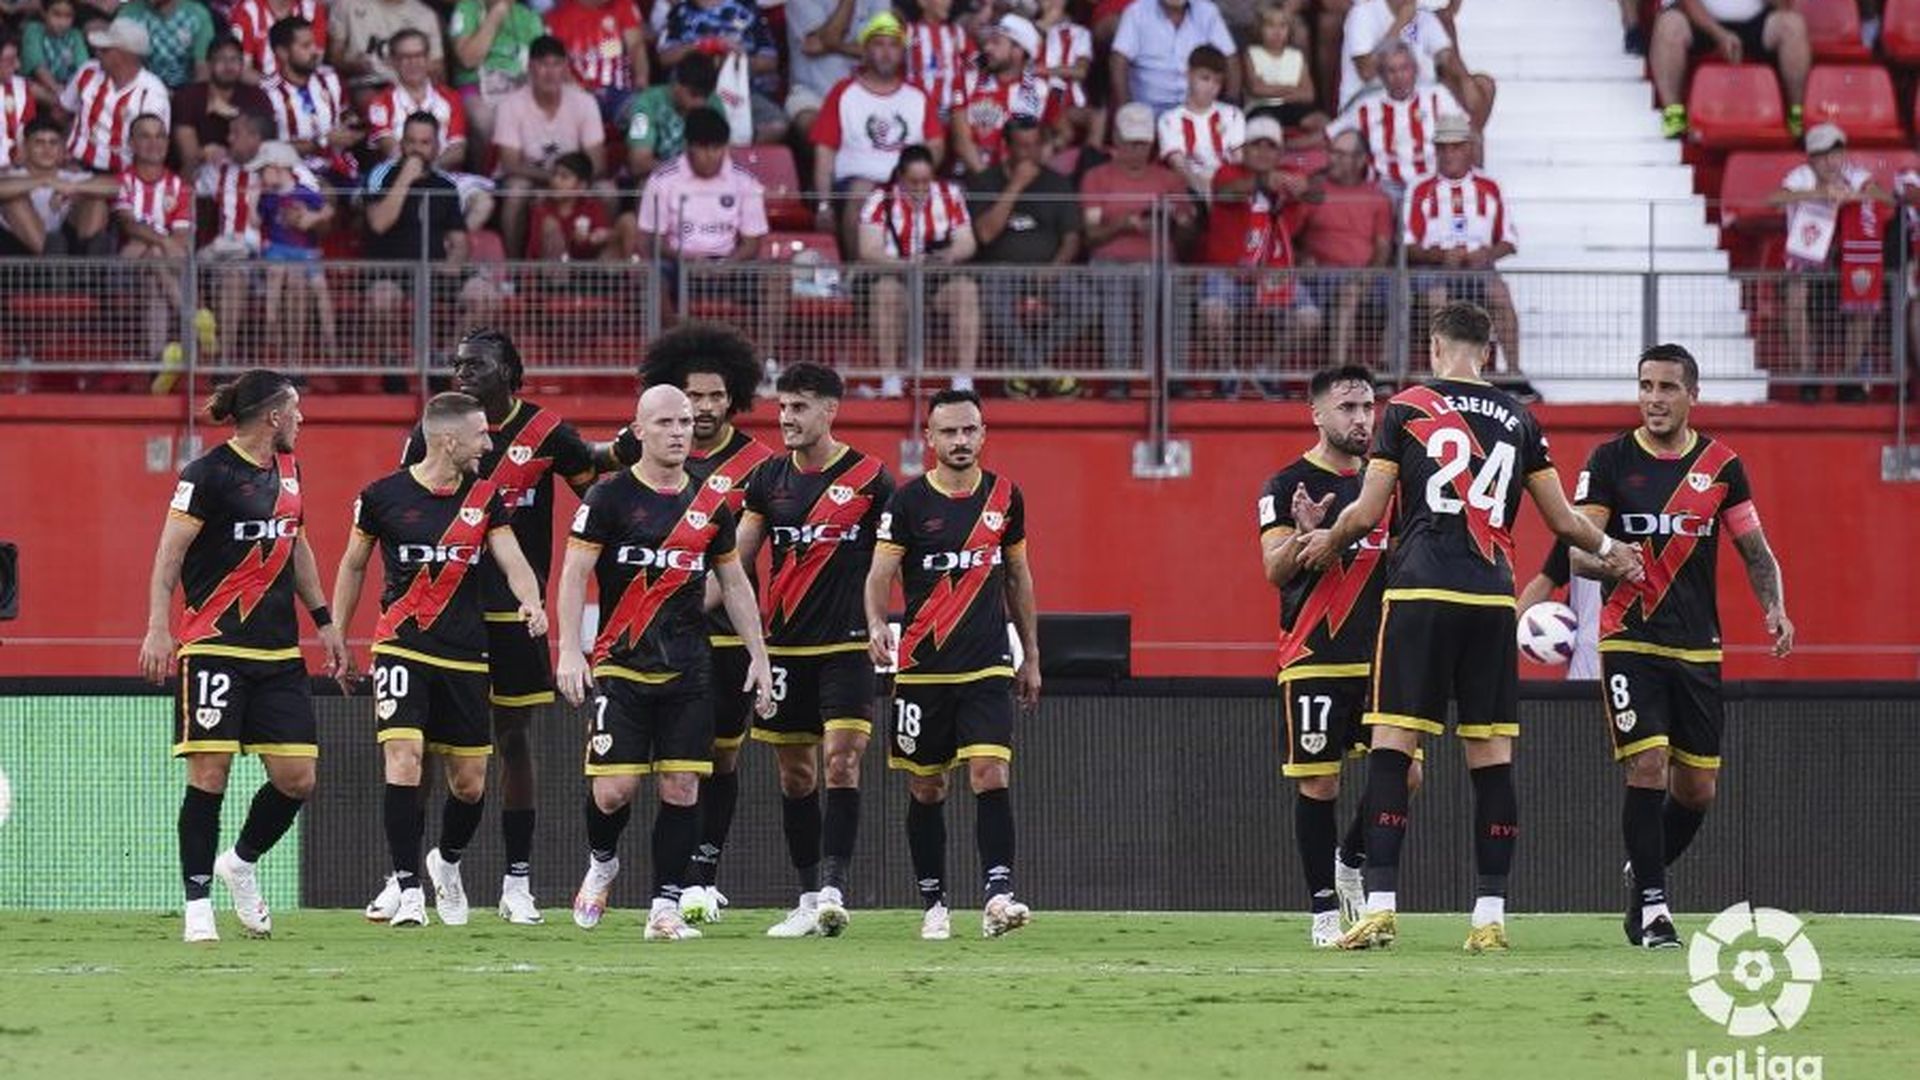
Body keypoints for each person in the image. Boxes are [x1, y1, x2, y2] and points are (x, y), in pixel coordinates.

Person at [1298, 302, 1645, 952]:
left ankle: (1381, 907)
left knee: (1393, 744)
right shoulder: (1521, 418)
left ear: (1435, 346)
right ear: (1487, 351)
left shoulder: (1406, 409)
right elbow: (1564, 520)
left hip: (1420, 592)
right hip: (1491, 599)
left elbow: (1368, 513)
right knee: (1491, 757)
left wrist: (1326, 540)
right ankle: (1489, 918)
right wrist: (1613, 549)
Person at [357, 331, 608, 925]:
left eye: (477, 364)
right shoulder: (432, 431)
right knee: (417, 747)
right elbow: (407, 512)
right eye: (457, 363)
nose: (463, 371)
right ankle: (403, 878)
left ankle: (516, 881)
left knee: (513, 742)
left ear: (510, 371)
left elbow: (599, 497)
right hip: (444, 617)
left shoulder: (546, 432)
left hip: (515, 614)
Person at [1570, 343, 1792, 949]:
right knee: (1647, 764)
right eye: (1645, 386)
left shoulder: (1722, 466)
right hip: (1630, 637)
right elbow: (1577, 554)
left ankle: (1643, 871)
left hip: (1697, 645)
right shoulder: (1610, 460)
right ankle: (1653, 908)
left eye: (1667, 387)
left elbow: (1754, 550)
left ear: (1692, 394)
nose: (1654, 399)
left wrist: (1774, 606)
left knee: (1697, 789)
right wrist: (1612, 558)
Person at [556, 384, 776, 942]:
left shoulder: (709, 503)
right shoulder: (607, 497)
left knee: (682, 787)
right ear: (639, 431)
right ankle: (602, 862)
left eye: (684, 421)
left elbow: (734, 583)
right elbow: (575, 574)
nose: (679, 431)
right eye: (665, 423)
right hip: (621, 662)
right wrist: (569, 649)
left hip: (689, 668)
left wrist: (759, 654)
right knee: (614, 791)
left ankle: (665, 906)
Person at [138, 369, 347, 943]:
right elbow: (168, 556)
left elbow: (296, 543)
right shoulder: (206, 474)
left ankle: (241, 862)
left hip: (278, 653)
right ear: (273, 416)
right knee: (210, 774)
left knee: (298, 778)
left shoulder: (289, 470)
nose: (302, 419)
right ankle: (197, 905)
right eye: (295, 409)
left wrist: (324, 620)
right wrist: (158, 628)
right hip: (214, 646)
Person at [330, 392, 551, 929]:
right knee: (404, 756)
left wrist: (531, 601)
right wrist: (337, 634)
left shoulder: (485, 498)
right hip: (400, 645)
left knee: (469, 784)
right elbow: (353, 566)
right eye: (481, 436)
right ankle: (408, 890)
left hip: (466, 654)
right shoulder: (380, 497)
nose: (488, 445)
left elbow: (513, 560)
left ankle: (445, 861)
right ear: (449, 440)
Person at [610, 323, 776, 923]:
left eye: (716, 396)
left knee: (720, 758)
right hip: (652, 635)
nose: (703, 408)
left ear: (735, 397)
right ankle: (640, 874)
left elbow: (744, 559)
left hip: (724, 629)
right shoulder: (643, 454)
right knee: (646, 770)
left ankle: (703, 875)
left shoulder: (758, 464)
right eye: (693, 396)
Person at [865, 387, 1041, 941]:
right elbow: (879, 575)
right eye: (949, 432)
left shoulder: (1005, 497)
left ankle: (998, 896)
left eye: (969, 430)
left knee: (990, 772)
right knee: (927, 787)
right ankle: (934, 903)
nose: (960, 441)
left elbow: (1018, 577)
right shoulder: (907, 503)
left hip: (986, 663)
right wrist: (876, 623)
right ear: (929, 438)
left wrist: (1031, 654)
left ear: (983, 434)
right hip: (922, 667)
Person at [727, 362, 894, 938]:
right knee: (796, 775)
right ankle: (804, 897)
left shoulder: (871, 479)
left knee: (842, 760)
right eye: (781, 408)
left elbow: (892, 559)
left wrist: (883, 621)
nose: (786, 418)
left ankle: (832, 891)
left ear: (830, 410)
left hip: (847, 645)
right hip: (785, 647)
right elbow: (736, 562)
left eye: (798, 407)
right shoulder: (766, 479)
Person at [1257, 364, 1416, 946]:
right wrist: (1306, 536)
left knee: (1409, 774)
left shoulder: (1388, 484)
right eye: (1348, 408)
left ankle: (1351, 858)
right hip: (1315, 654)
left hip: (1381, 657)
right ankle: (1323, 912)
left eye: (1368, 407)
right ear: (1317, 414)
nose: (1362, 419)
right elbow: (1274, 571)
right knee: (1319, 784)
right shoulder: (1286, 485)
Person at [1196, 115, 1320, 390]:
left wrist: (1305, 185)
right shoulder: (1228, 172)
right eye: (1256, 145)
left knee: (1309, 317)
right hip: (1229, 272)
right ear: (1244, 149)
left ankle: (1268, 371)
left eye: (1270, 146)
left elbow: (1318, 194)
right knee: (1213, 310)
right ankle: (1227, 375)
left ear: (1280, 152)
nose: (1263, 152)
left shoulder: (1288, 173)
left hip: (1274, 275)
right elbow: (1227, 192)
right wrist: (1264, 181)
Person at [1772, 122, 1889, 404]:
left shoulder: (1855, 175)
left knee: (1865, 293)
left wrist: (1852, 196)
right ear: (1812, 158)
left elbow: (1884, 197)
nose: (1831, 162)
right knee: (1795, 293)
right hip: (1807, 263)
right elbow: (1775, 199)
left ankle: (1850, 378)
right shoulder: (1801, 176)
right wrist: (1818, 194)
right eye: (1824, 156)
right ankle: (1807, 375)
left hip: (1847, 264)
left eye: (1836, 154)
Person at [968, 114, 1087, 391]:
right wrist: (1016, 186)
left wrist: (1055, 268)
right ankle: (1040, 369)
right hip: (1001, 271)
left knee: (1087, 302)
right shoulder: (986, 181)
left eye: (1035, 145)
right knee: (990, 301)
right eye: (1022, 146)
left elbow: (1072, 238)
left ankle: (1027, 366)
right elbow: (985, 234)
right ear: (1007, 147)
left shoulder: (1057, 182)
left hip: (1048, 271)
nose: (1030, 153)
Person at [1080, 101, 1197, 382]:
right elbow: (1090, 235)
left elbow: (1187, 235)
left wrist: (1180, 221)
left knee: (1176, 287)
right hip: (1110, 261)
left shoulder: (1170, 179)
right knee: (1118, 288)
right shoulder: (1096, 177)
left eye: (1143, 144)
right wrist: (1125, 224)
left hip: (1159, 260)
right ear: (1116, 139)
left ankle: (1174, 376)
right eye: (1131, 143)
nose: (1137, 150)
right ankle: (1119, 377)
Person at [811, 12, 944, 258]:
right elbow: (824, 152)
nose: (886, 52)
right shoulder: (843, 92)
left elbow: (935, 146)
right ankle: (859, 273)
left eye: (893, 45)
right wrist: (823, 204)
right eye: (879, 44)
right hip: (854, 185)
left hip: (908, 183)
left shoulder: (917, 95)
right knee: (863, 191)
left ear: (902, 52)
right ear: (865, 50)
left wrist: (912, 180)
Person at [1404, 115, 1523, 388]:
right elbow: (1407, 245)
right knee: (1437, 299)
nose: (1449, 154)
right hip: (1434, 269)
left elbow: (1509, 240)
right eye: (1443, 148)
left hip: (1479, 268)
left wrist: (1485, 255)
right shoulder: (1420, 188)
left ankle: (1514, 373)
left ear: (1469, 148)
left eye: (1456, 147)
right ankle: (1446, 376)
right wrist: (1440, 256)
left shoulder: (1490, 187)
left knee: (1501, 295)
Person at [631, 106, 771, 326]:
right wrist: (687, 259)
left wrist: (727, 263)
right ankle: (675, 341)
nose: (711, 156)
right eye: (704, 148)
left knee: (776, 276)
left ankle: (765, 347)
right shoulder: (662, 180)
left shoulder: (745, 181)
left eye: (717, 148)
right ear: (689, 146)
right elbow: (652, 240)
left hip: (728, 263)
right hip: (678, 262)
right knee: (653, 276)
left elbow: (752, 242)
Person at [859, 144, 980, 396]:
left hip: (936, 276)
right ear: (900, 177)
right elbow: (868, 249)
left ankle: (963, 380)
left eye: (926, 181)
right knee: (885, 291)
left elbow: (967, 243)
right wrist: (905, 264)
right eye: (914, 182)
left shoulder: (949, 194)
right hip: (897, 274)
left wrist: (946, 256)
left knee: (966, 290)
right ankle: (891, 379)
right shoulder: (880, 198)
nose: (921, 188)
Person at [493, 34, 606, 258]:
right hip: (532, 180)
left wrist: (569, 185)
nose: (550, 72)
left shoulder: (584, 102)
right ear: (530, 68)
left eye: (557, 64)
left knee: (607, 190)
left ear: (565, 68)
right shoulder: (510, 104)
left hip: (573, 181)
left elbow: (598, 163)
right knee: (516, 190)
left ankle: (600, 264)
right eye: (543, 65)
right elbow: (510, 163)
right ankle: (513, 268)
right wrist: (554, 182)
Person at [1652, 0, 1811, 139]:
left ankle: (1796, 112)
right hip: (1702, 22)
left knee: (1793, 24)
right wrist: (1718, 33)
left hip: (1755, 21)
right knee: (1669, 24)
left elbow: (1783, 6)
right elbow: (1687, 3)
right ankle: (1673, 111)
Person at [1302, 127, 1393, 365]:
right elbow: (1292, 237)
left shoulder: (1378, 197)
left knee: (1403, 290)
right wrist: (1303, 257)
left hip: (1367, 276)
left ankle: (1387, 368)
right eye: (1332, 152)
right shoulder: (1313, 191)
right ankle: (1339, 371)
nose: (1333, 159)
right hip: (1321, 276)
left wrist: (1369, 275)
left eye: (1342, 154)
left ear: (1361, 160)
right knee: (1348, 293)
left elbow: (1383, 247)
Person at [1329, 39, 1462, 199]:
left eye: (1404, 68)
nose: (1399, 76)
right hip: (1384, 189)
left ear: (1415, 70)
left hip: (1430, 184)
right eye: (1391, 71)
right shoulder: (1365, 107)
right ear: (1381, 75)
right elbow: (1330, 134)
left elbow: (1463, 136)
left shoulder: (1437, 97)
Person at [1341, 0, 1493, 126]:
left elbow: (1446, 56)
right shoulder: (1363, 14)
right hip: (1368, 101)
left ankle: (1469, 143)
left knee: (1482, 85)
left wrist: (1466, 81)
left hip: (1413, 105)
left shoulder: (1423, 17)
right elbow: (1366, 72)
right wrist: (1400, 23)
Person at [253, 139, 338, 359]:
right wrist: (252, 200)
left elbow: (328, 210)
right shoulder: (267, 197)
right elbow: (256, 222)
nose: (260, 177)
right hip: (278, 249)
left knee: (319, 287)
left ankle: (332, 343)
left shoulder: (304, 192)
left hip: (305, 251)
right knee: (276, 274)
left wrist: (313, 218)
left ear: (278, 168)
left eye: (263, 171)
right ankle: (271, 328)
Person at [657, 0, 786, 143]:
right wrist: (702, 46)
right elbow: (665, 58)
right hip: (695, 93)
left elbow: (770, 61)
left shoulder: (748, 9)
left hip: (741, 94)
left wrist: (735, 61)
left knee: (776, 126)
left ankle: (732, 152)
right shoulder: (680, 12)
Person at [62, 16, 171, 174]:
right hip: (74, 165)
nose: (97, 53)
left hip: (121, 174)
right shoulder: (88, 71)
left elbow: (153, 149)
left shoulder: (152, 93)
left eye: (105, 50)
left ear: (123, 56)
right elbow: (63, 111)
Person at [950, 14, 1054, 177]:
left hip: (1018, 181)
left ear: (1018, 51)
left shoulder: (1042, 91)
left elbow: (1046, 144)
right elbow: (961, 141)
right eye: (988, 42)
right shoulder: (966, 82)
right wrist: (988, 181)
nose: (987, 48)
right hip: (971, 178)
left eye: (996, 42)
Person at [259, 16, 357, 179]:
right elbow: (267, 149)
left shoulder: (331, 78)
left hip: (340, 169)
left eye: (314, 44)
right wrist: (322, 142)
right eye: (306, 46)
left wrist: (352, 128)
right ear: (282, 53)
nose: (315, 51)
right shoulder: (267, 93)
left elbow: (348, 117)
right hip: (293, 176)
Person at [0, 116, 115, 255]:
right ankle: (54, 260)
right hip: (20, 253)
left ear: (62, 148)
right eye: (39, 142)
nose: (47, 149)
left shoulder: (71, 178)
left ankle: (89, 264)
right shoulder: (12, 176)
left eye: (53, 143)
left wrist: (73, 188)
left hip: (69, 249)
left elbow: (116, 187)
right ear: (25, 147)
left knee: (96, 200)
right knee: (14, 200)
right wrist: (44, 180)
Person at [1109, 0, 1239, 115]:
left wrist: (1230, 104)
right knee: (1134, 129)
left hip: (1196, 108)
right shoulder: (1137, 12)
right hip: (1148, 110)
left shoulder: (1207, 11)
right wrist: (1127, 108)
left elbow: (1230, 57)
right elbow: (1119, 59)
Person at [448, 0, 546, 153]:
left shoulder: (528, 16)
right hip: (476, 86)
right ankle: (485, 168)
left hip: (518, 86)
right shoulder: (467, 7)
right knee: (483, 118)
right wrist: (496, 15)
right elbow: (468, 59)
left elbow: (543, 64)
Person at [366, 28, 467, 170]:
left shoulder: (451, 98)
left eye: (419, 55)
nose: (413, 62)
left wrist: (430, 171)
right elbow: (388, 147)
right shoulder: (380, 102)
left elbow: (457, 150)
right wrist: (413, 171)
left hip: (443, 174)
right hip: (397, 175)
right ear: (393, 61)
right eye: (405, 57)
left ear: (428, 59)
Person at [784, 0, 889, 136]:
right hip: (813, 94)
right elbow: (829, 38)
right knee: (814, 125)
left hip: (867, 90)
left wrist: (837, 46)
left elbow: (884, 48)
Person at [171, 36, 274, 171]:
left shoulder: (256, 96)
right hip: (201, 172)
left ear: (242, 64)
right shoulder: (188, 96)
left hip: (249, 171)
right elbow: (188, 156)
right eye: (221, 59)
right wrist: (203, 153)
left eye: (234, 59)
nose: (228, 66)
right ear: (209, 64)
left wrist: (233, 113)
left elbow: (267, 145)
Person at [1157, 44, 1244, 196]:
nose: (1211, 87)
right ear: (1188, 74)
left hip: (1227, 189)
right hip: (1190, 192)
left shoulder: (1233, 114)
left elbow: (1239, 160)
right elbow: (1179, 166)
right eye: (1205, 78)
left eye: (1217, 81)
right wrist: (1205, 193)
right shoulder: (1169, 119)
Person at [619, 51, 718, 184]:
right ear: (676, 85)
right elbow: (639, 163)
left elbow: (724, 155)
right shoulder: (645, 104)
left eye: (705, 96)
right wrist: (685, 172)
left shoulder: (714, 103)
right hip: (661, 180)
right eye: (694, 94)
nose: (700, 103)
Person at [544, 0, 649, 120]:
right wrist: (581, 94)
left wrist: (641, 80)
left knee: (641, 114)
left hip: (622, 93)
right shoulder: (556, 16)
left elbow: (636, 46)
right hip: (579, 94)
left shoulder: (623, 4)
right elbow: (559, 67)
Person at [1516, 540, 1601, 679]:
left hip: (1634, 651)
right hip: (1586, 663)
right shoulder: (1576, 533)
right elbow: (1545, 582)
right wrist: (1503, 638)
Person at [1244, 0, 1322, 132]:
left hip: (1293, 107)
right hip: (1262, 107)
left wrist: (1271, 90)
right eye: (1270, 25)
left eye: (1283, 26)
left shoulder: (1297, 56)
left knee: (1321, 121)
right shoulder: (1251, 54)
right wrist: (1292, 89)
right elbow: (1257, 89)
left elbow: (1309, 94)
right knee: (1266, 126)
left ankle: (1294, 142)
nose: (1277, 32)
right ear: (1259, 28)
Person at [329, 0, 446, 85]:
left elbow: (437, 69)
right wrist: (352, 66)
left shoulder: (425, 15)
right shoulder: (348, 4)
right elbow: (334, 57)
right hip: (366, 82)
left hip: (410, 86)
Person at [117, 0, 216, 90]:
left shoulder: (197, 15)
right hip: (142, 89)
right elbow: (119, 62)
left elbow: (203, 69)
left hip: (186, 91)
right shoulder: (130, 13)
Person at [1032, 0, 1093, 140]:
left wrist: (1044, 71)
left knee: (1095, 116)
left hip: (1069, 103)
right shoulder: (1028, 29)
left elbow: (1081, 71)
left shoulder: (1079, 32)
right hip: (1035, 100)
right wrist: (1045, 25)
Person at [905, 0, 971, 126]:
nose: (948, 2)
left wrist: (959, 105)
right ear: (923, 2)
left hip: (952, 116)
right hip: (918, 114)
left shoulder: (957, 33)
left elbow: (971, 69)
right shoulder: (910, 32)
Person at [230, 0, 328, 80]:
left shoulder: (311, 8)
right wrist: (276, 89)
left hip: (308, 85)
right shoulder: (247, 10)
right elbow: (243, 69)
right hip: (263, 89)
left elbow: (316, 59)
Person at [22, 0, 90, 116]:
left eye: (68, 16)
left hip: (70, 89)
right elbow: (38, 67)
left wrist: (68, 93)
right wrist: (57, 90)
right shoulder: (34, 31)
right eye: (56, 15)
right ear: (44, 13)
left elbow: (83, 68)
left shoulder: (75, 35)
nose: (62, 22)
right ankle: (62, 108)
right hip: (45, 87)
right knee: (30, 87)